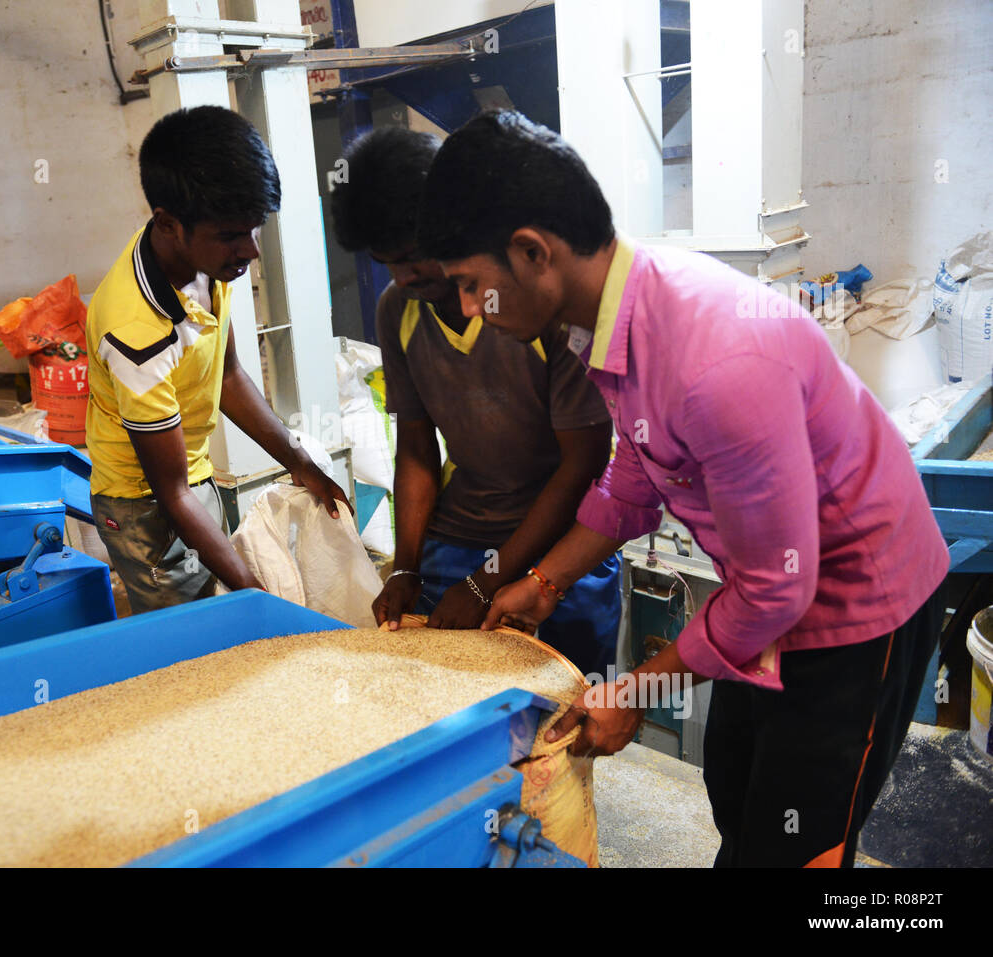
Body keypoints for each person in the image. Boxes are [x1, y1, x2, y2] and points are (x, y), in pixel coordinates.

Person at [420, 110, 948, 868]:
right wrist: (544, 579)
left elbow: (775, 591)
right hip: (769, 589)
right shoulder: (611, 318)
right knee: (735, 788)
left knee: (797, 839)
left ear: (533, 252)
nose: (469, 308)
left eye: (473, 285)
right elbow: (636, 473)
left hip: (856, 608)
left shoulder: (714, 361)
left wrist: (634, 692)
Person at [330, 126, 620, 675]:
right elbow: (416, 447)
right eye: (387, 262)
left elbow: (585, 465)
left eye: (417, 255)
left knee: (561, 720)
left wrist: (489, 582)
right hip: (461, 536)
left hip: (563, 539)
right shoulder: (399, 311)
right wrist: (406, 568)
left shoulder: (541, 305)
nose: (406, 276)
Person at [86, 105, 350, 613]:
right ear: (168, 223)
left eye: (255, 230)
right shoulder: (136, 332)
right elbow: (171, 495)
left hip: (188, 476)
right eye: (232, 235)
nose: (250, 251)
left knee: (218, 601)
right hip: (142, 502)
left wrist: (299, 462)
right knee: (190, 637)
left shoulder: (206, 265)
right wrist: (253, 594)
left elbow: (227, 377)